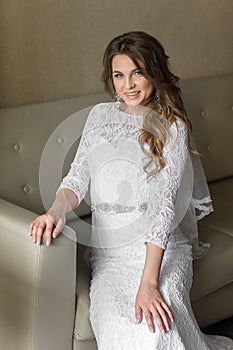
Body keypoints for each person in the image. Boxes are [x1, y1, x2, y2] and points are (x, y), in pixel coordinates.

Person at [29, 31, 233, 349]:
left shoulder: (173, 127)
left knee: (155, 330)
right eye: (119, 75)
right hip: (110, 257)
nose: (128, 85)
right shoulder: (99, 116)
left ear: (154, 72)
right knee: (119, 327)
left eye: (137, 72)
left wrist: (149, 283)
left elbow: (164, 208)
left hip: (160, 254)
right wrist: (55, 211)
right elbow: (77, 177)